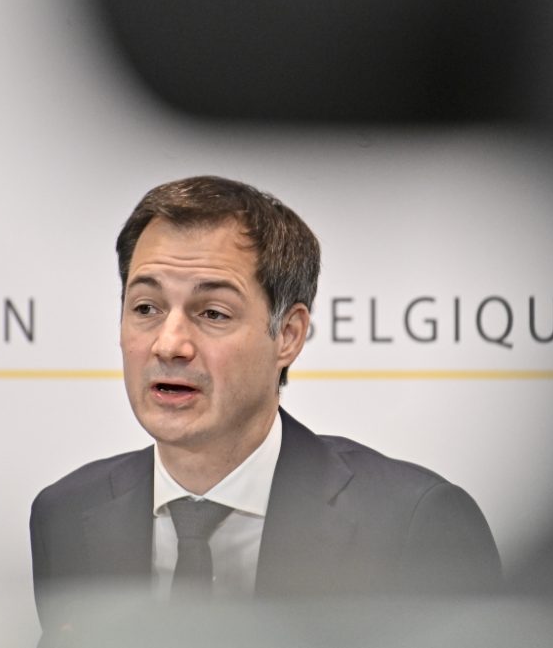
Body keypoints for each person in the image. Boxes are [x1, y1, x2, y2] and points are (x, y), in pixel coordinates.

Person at [30, 176, 500, 645]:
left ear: (289, 335)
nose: (169, 344)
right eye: (146, 307)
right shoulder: (67, 515)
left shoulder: (413, 525)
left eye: (213, 312)